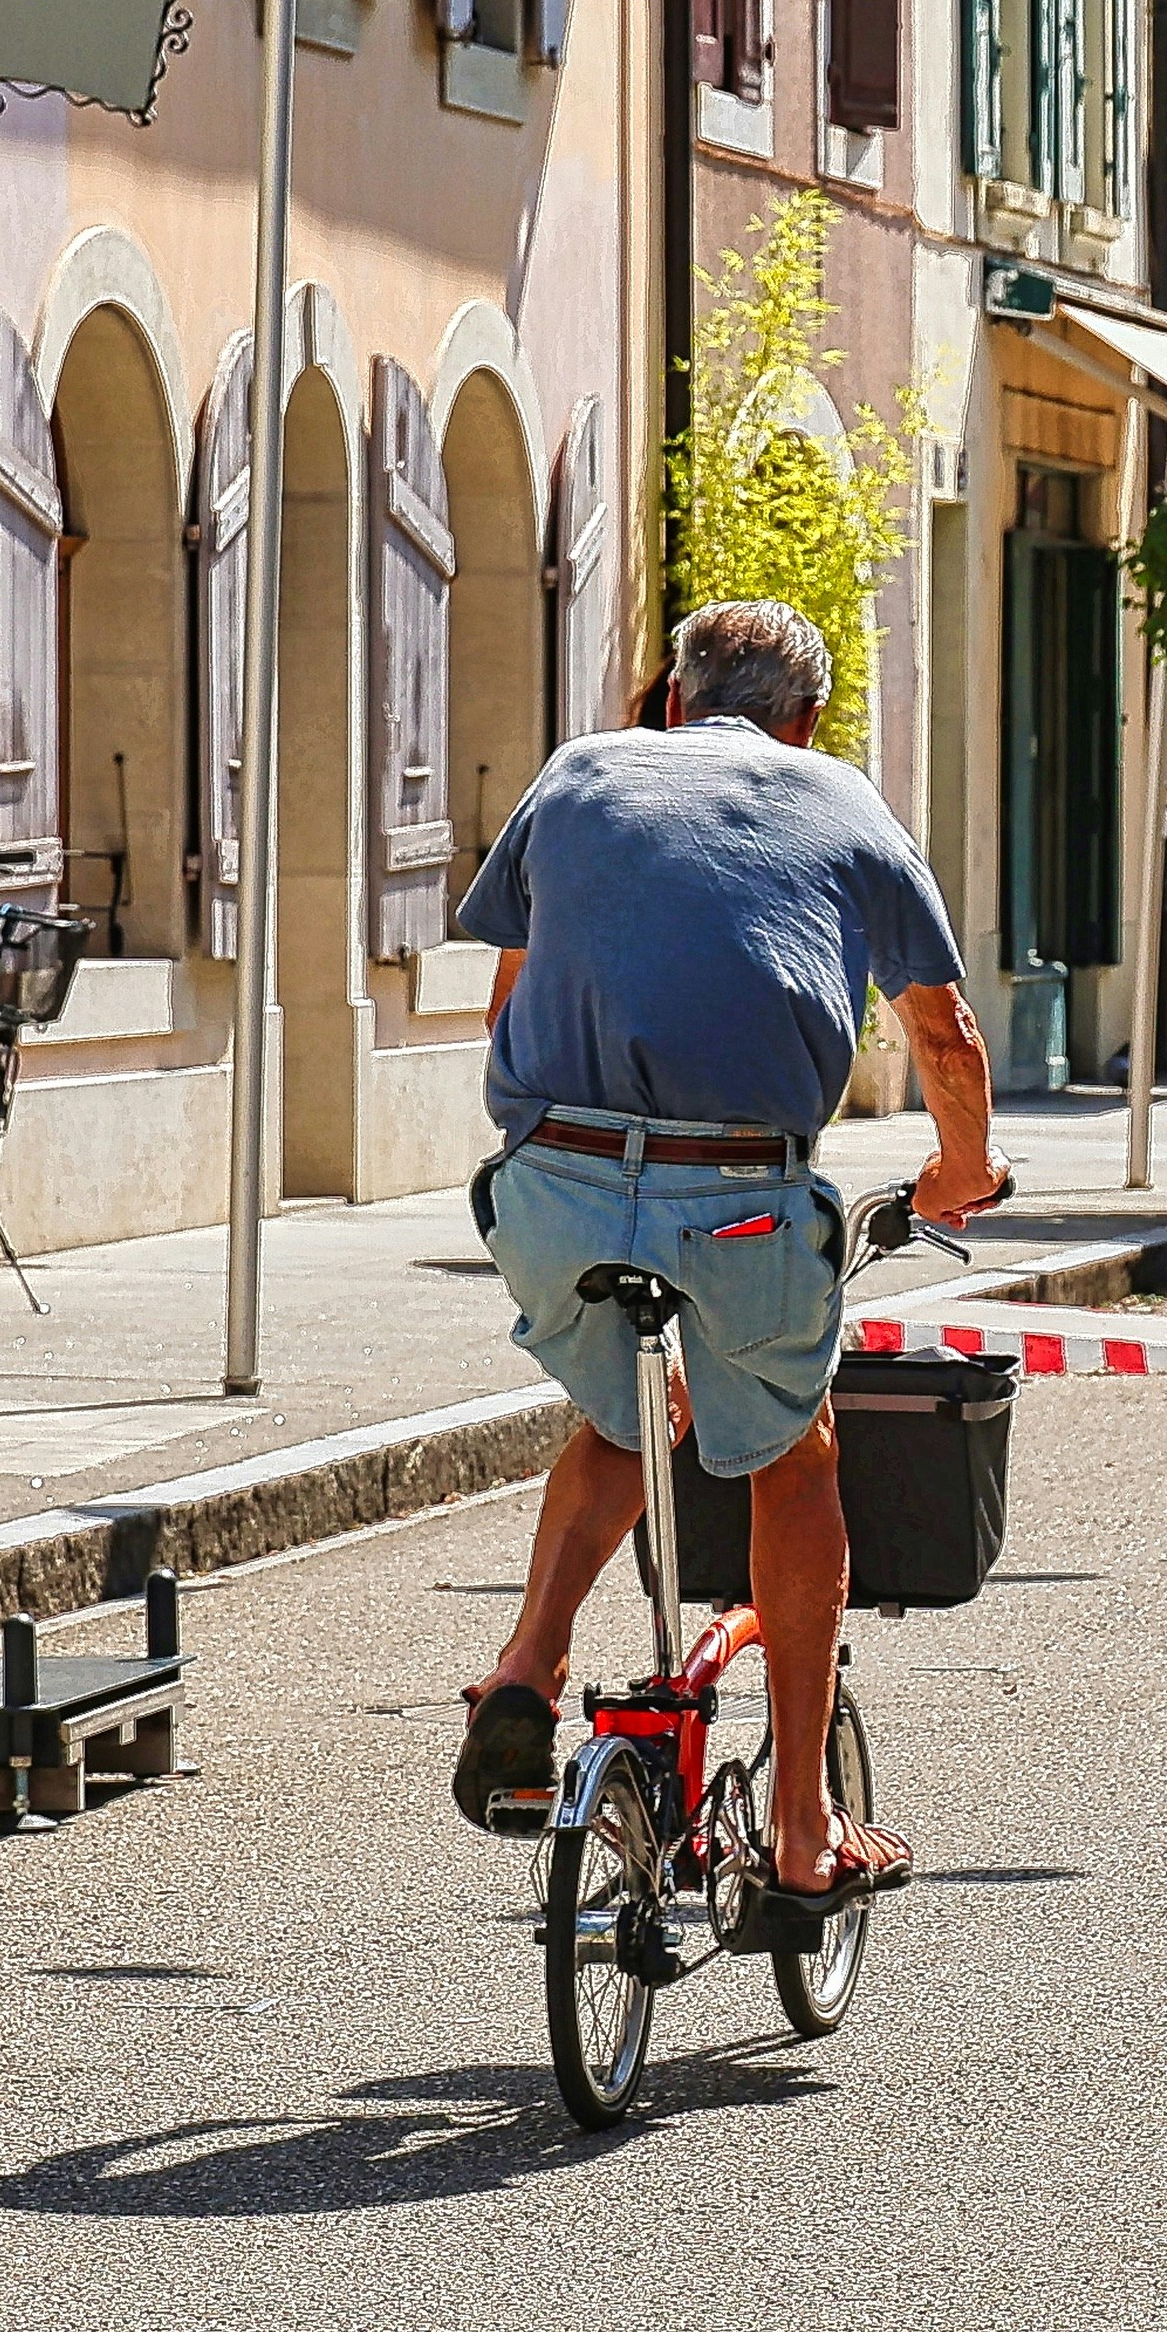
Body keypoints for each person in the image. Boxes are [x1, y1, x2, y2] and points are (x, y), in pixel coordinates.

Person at [448, 598, 1008, 1911]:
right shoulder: (840, 799)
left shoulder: (579, 772)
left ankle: (526, 1663)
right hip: (737, 1198)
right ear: (806, 717)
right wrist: (959, 1174)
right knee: (792, 1458)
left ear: (668, 699)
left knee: (621, 1412)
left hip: (548, 1189)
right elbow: (945, 1038)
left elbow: (505, 1000)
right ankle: (807, 1826)